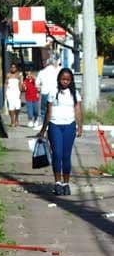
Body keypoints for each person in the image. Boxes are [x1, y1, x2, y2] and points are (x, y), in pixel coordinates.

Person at [38, 68, 83, 196]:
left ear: (71, 80)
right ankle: (57, 182)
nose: (65, 82)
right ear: (59, 79)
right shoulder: (53, 92)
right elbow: (48, 111)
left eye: (68, 80)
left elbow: (78, 111)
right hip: (55, 126)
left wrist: (80, 126)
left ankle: (66, 184)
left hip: (69, 126)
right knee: (57, 154)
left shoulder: (75, 93)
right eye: (63, 79)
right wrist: (43, 129)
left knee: (66, 155)